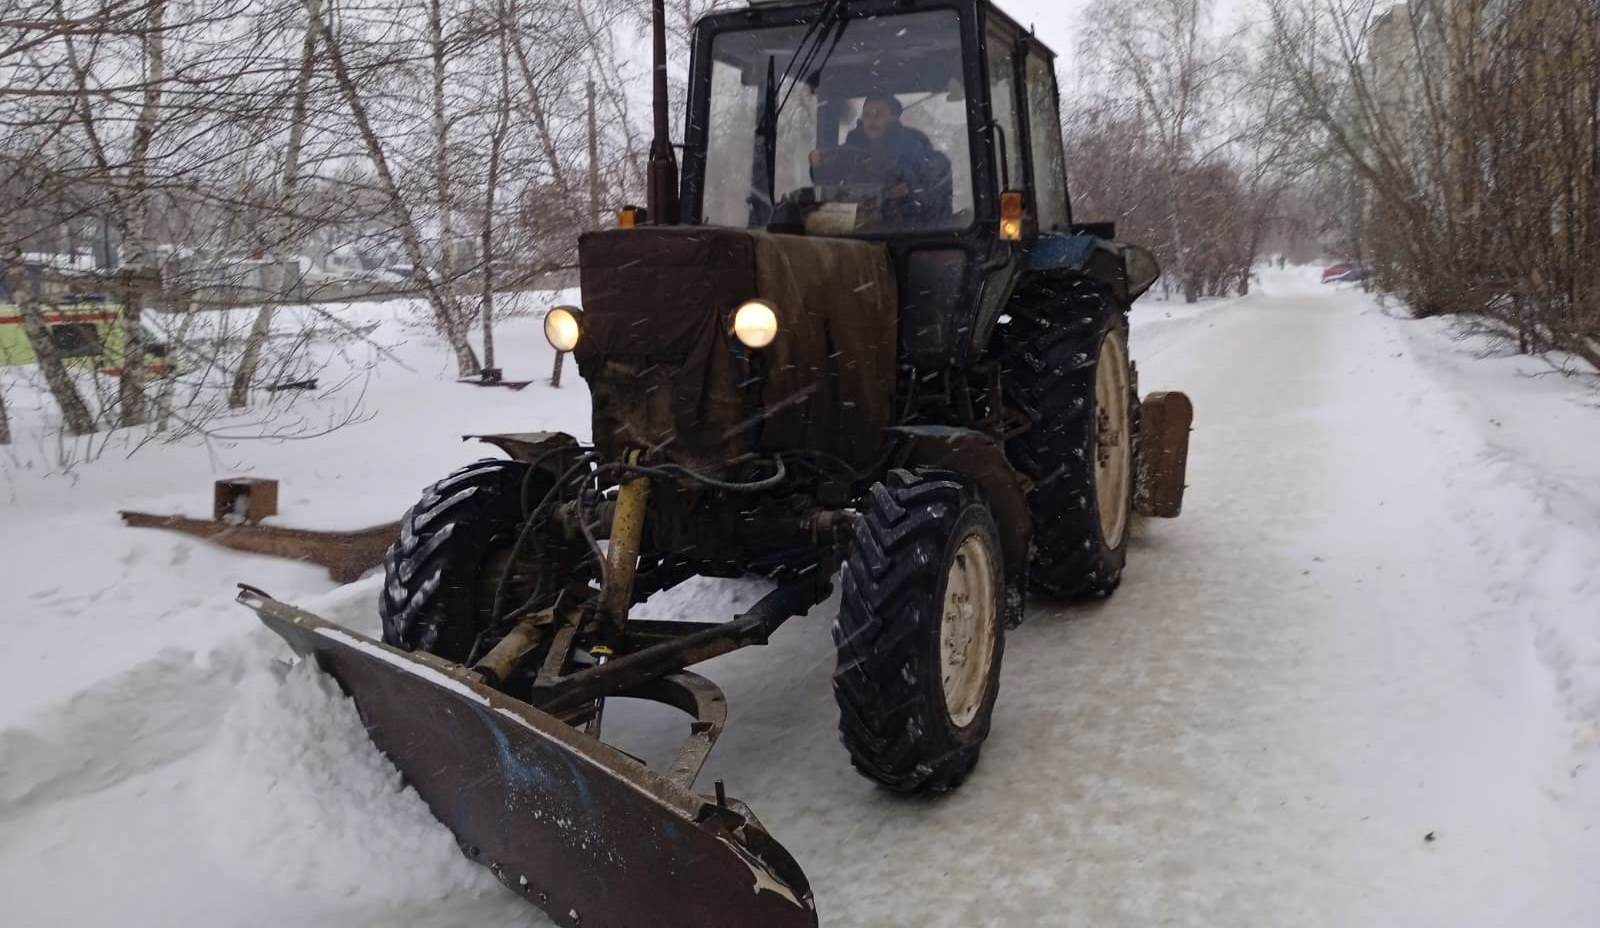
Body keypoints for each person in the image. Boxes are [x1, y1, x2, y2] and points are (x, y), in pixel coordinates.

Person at [809, 95, 951, 227]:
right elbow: (828, 178)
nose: (872, 120)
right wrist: (819, 165)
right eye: (867, 115)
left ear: (894, 117)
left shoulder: (913, 143)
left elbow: (933, 177)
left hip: (905, 227)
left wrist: (905, 186)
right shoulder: (852, 145)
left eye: (878, 114)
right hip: (859, 224)